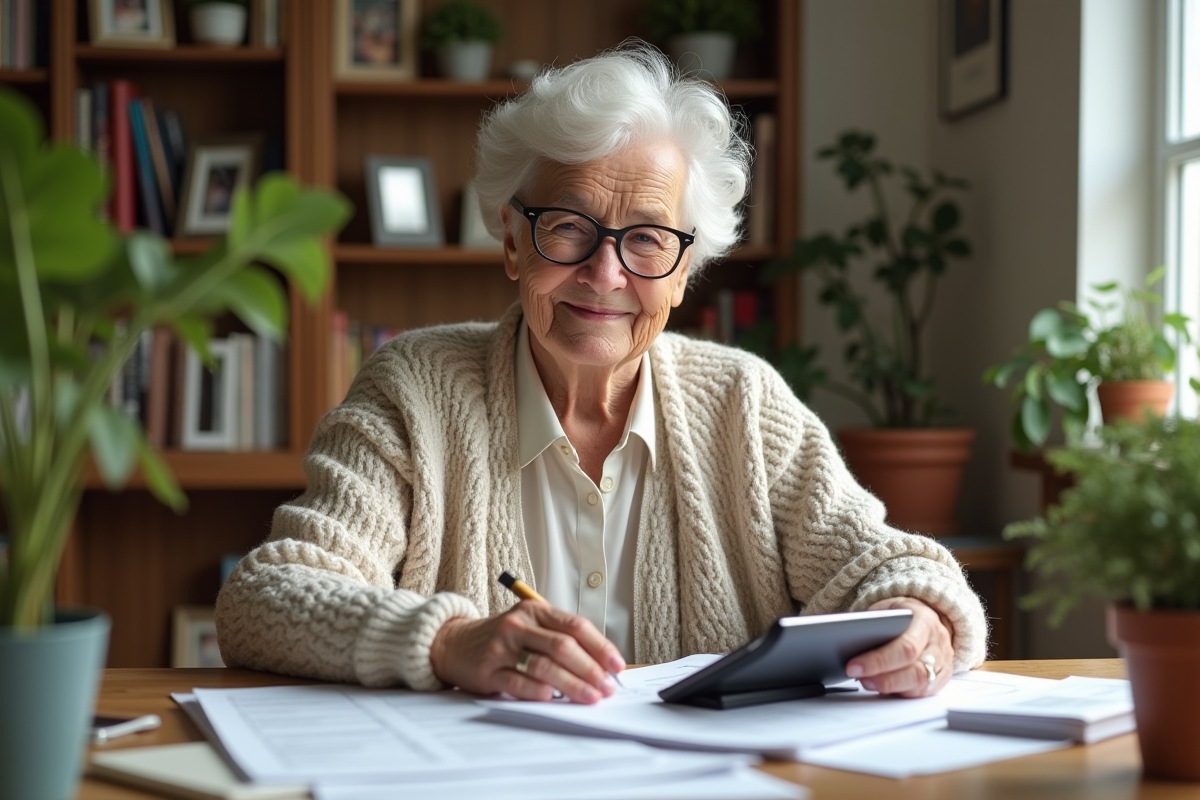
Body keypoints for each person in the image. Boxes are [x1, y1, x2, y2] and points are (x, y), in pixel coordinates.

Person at [216, 43, 987, 705]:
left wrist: (923, 619)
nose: (605, 274)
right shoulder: (412, 390)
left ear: (685, 272)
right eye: (569, 228)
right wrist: (448, 641)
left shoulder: (744, 405)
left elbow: (888, 564)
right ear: (514, 242)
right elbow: (265, 600)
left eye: (648, 239)